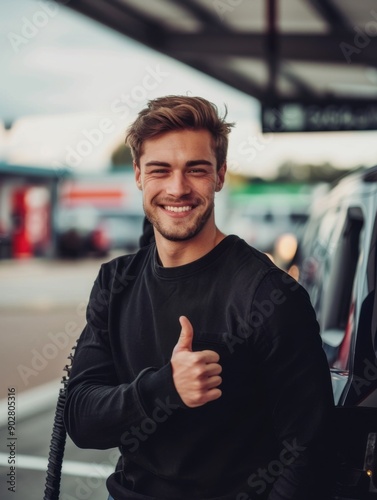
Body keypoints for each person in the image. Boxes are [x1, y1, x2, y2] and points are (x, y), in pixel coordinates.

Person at [64, 95, 335, 500]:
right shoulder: (114, 282)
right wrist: (166, 387)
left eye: (196, 170)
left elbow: (309, 451)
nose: (178, 188)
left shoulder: (269, 296)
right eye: (160, 170)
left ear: (220, 175)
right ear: (138, 174)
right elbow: (82, 419)